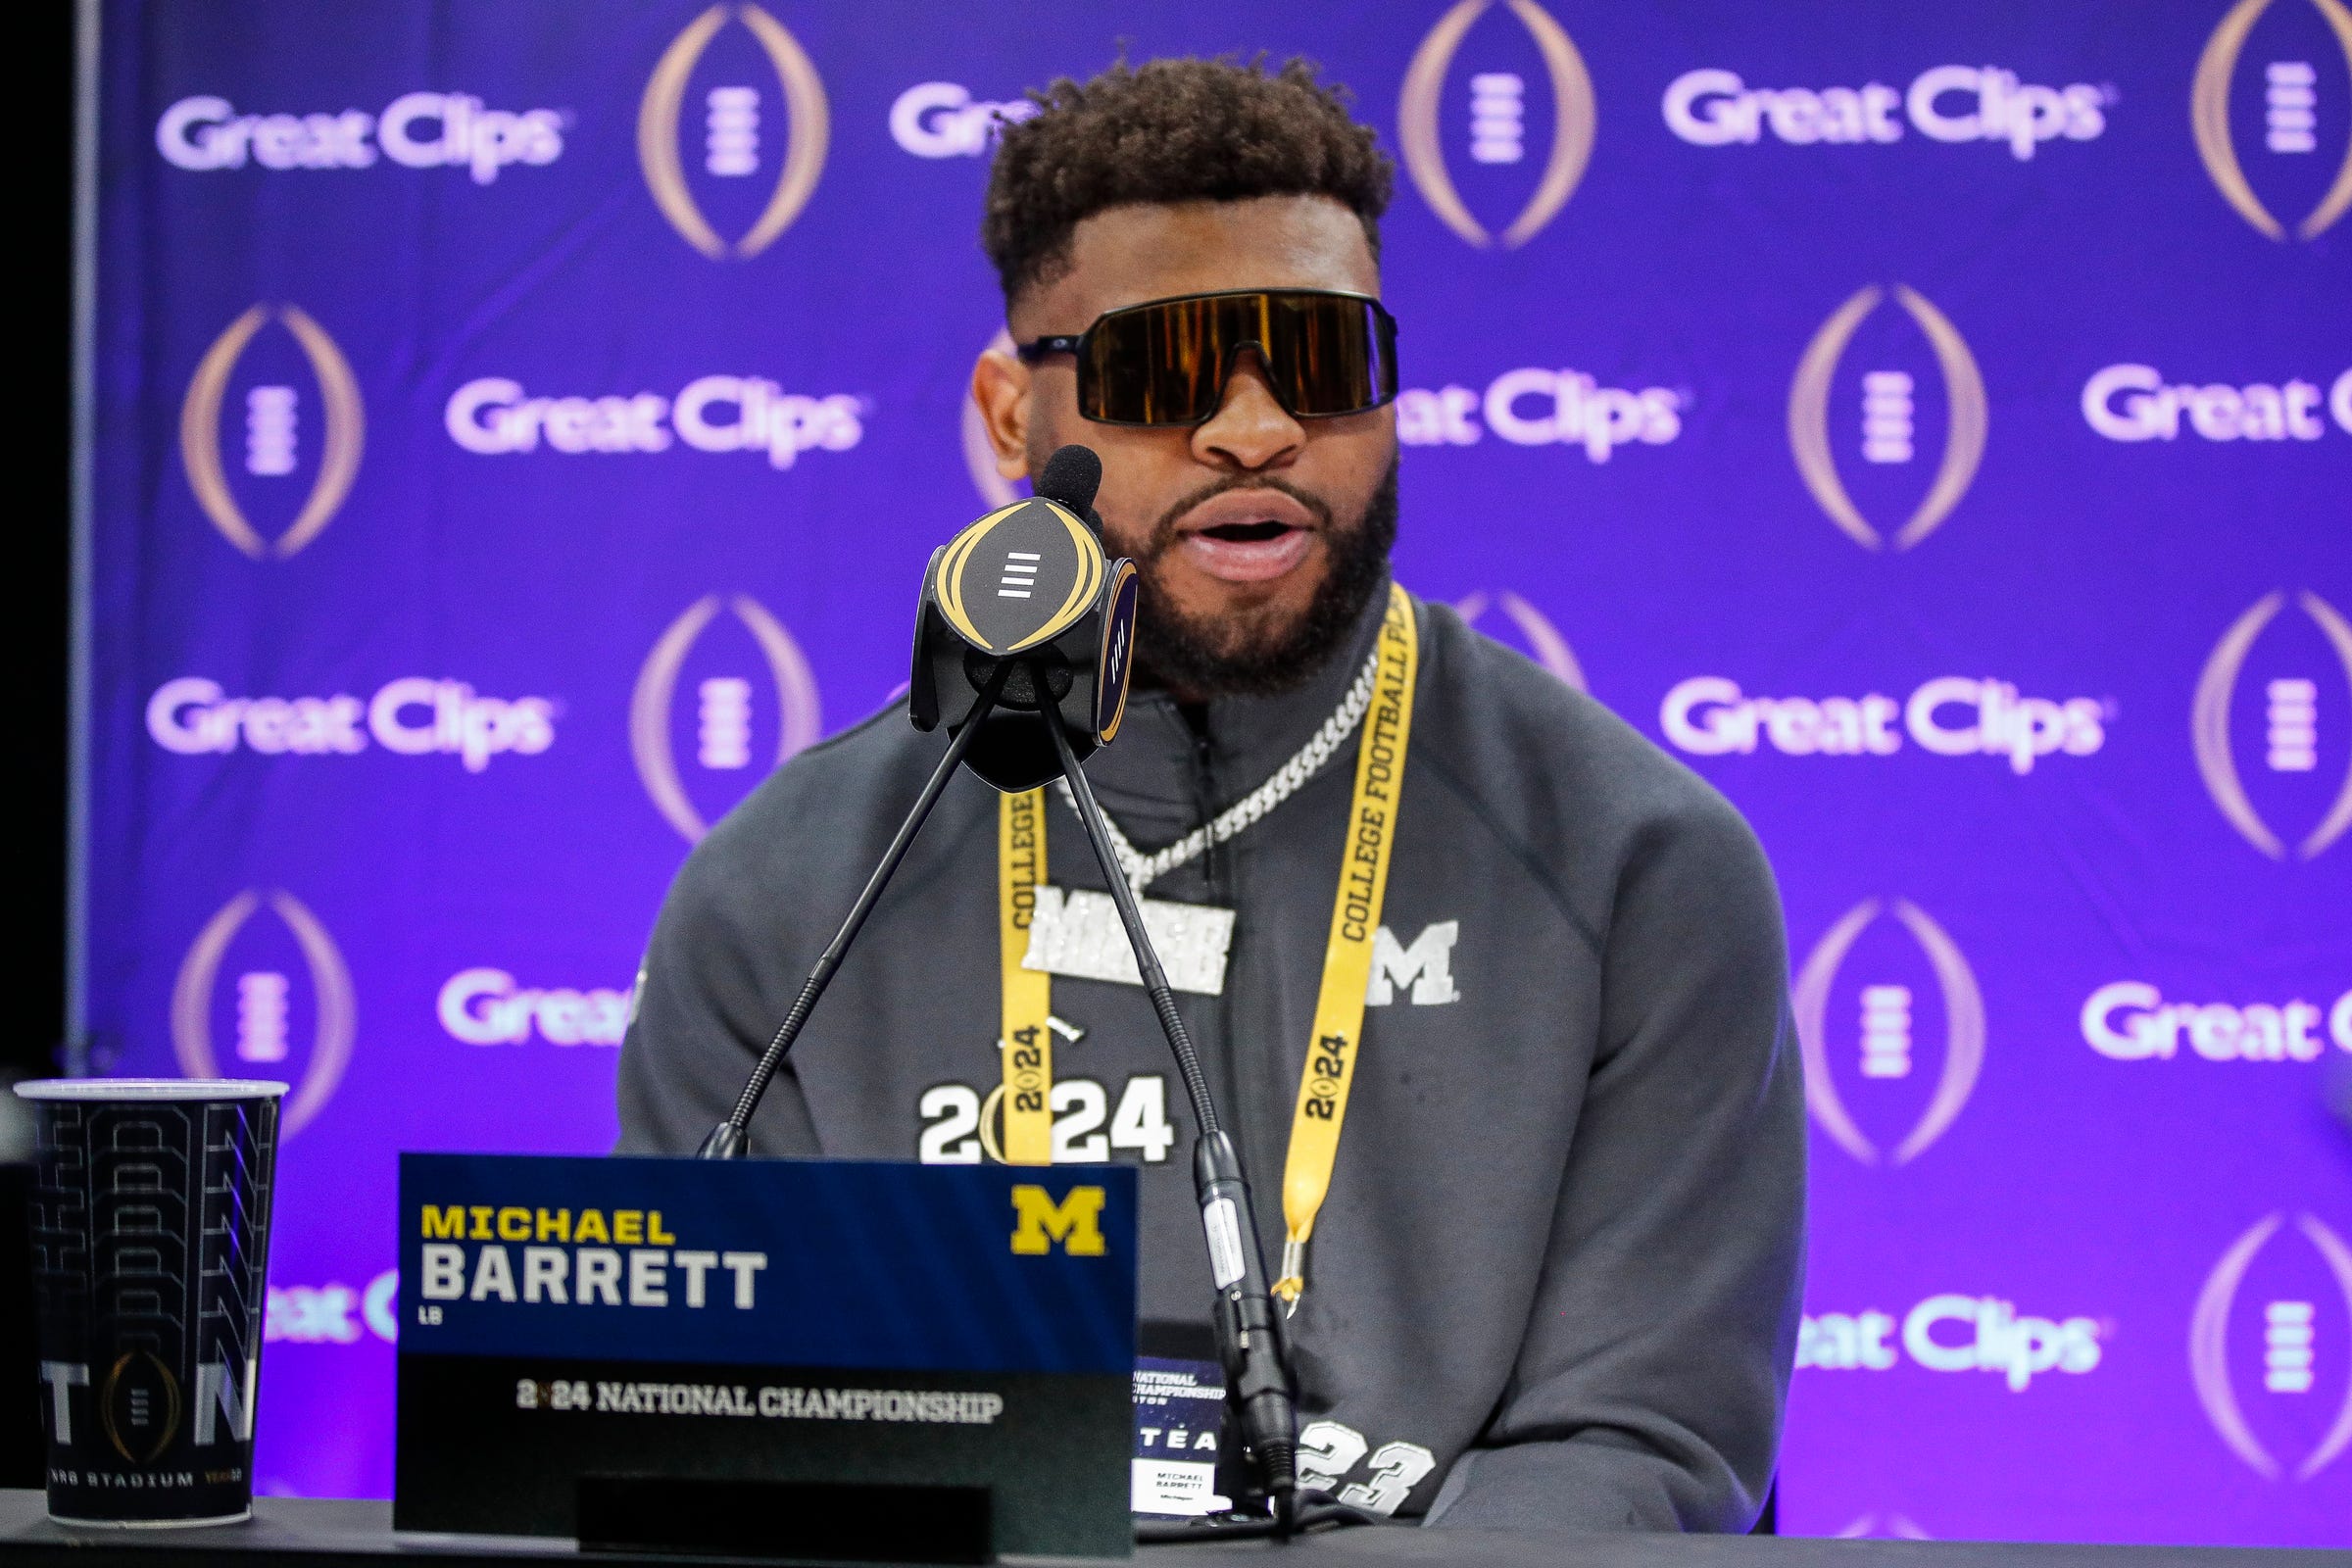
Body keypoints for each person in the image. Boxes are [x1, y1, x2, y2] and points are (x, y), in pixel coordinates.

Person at [617, 57, 1803, 1533]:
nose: (1254, 431)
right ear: (1009, 413)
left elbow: (1630, 1444)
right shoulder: (788, 889)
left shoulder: (1642, 869)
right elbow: (733, 1438)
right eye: (1166, 370)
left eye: (1321, 362)